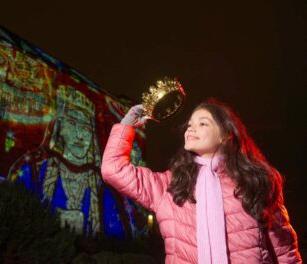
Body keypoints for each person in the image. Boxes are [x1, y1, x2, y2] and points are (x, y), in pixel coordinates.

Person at [101, 99, 302, 263]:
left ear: (225, 135)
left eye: (202, 123)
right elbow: (113, 169)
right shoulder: (171, 185)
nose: (191, 129)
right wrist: (126, 125)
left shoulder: (255, 182)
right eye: (189, 125)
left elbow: (284, 252)